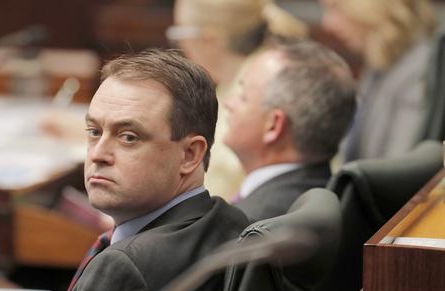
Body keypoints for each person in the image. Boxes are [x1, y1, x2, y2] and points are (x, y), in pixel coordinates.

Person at [24, 49, 248, 291]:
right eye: (94, 132)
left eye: (128, 137)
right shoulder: (226, 220)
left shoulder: (122, 268)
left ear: (190, 155)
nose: (98, 154)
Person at [169, 0, 308, 201]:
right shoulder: (231, 85)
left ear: (210, 39)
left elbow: (217, 189)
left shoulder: (262, 91)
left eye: (180, 33)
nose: (181, 45)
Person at [224, 37, 356, 223]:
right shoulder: (328, 195)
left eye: (243, 96)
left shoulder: (248, 226)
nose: (228, 102)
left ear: (273, 126)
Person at [320, 0, 439, 161]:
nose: (327, 23)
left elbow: (396, 170)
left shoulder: (421, 71)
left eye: (335, 8)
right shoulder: (381, 60)